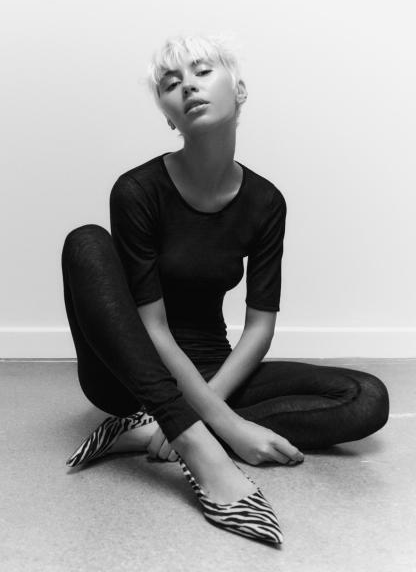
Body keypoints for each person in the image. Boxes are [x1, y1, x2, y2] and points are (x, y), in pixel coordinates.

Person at [61, 34, 389, 546]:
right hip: (130, 376)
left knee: (365, 397)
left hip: (214, 368)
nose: (188, 86)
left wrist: (210, 404)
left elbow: (259, 328)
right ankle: (197, 446)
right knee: (85, 243)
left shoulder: (265, 201)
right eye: (171, 83)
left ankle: (148, 431)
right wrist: (229, 428)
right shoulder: (137, 190)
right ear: (169, 116)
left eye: (202, 71)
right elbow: (153, 327)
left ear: (239, 90)